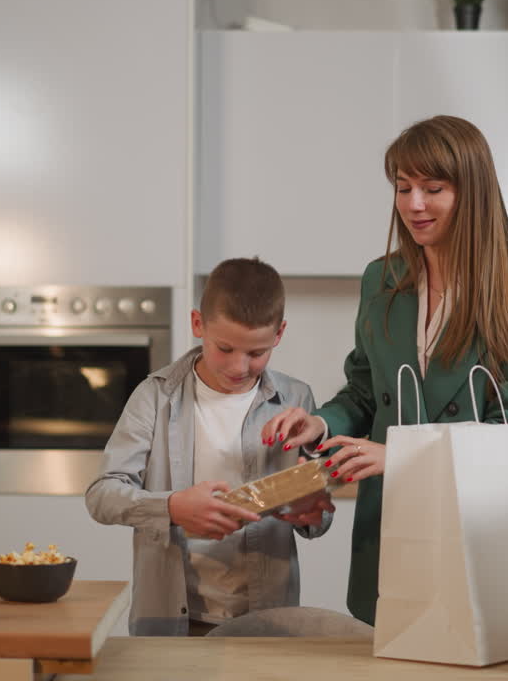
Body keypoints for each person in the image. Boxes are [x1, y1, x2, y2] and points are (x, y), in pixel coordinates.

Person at [260, 115, 508, 626]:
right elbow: (363, 391)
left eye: (433, 188)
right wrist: (322, 423)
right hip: (388, 527)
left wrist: (399, 455)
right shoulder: (382, 280)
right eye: (404, 188)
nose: (413, 204)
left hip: (477, 528)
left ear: (473, 193)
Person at [86, 257, 334, 637]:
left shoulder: (296, 398)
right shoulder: (154, 396)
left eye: (257, 353)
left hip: (266, 622)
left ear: (279, 333)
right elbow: (101, 496)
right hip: (169, 620)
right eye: (225, 348)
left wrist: (311, 511)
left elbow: (318, 517)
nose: (239, 367)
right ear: (197, 324)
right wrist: (171, 507)